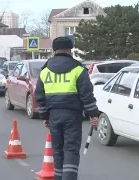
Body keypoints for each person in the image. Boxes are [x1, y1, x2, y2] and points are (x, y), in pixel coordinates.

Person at [34, 36, 100, 180]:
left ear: (54, 50)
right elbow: (86, 95)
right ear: (70, 50)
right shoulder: (78, 69)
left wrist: (45, 116)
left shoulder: (45, 71)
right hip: (72, 116)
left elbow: (39, 95)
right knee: (70, 150)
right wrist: (93, 114)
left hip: (54, 116)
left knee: (58, 151)